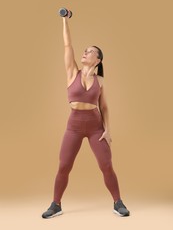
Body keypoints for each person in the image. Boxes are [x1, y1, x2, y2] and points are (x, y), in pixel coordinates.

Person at [42, 11, 130, 218]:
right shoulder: (72, 72)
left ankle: (118, 202)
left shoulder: (100, 81)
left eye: (90, 51)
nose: (85, 52)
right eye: (85, 50)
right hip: (73, 125)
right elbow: (67, 46)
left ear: (98, 60)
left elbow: (105, 107)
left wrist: (107, 130)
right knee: (64, 165)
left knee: (106, 165)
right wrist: (64, 20)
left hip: (95, 126)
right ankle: (56, 204)